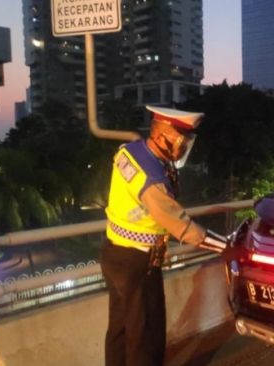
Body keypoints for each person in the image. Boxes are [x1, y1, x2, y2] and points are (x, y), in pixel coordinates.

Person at [101, 106, 225, 366]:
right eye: (181, 142)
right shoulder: (152, 177)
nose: (183, 149)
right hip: (139, 263)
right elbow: (179, 224)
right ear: (162, 137)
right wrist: (226, 246)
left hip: (114, 254)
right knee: (146, 337)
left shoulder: (131, 150)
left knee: (121, 330)